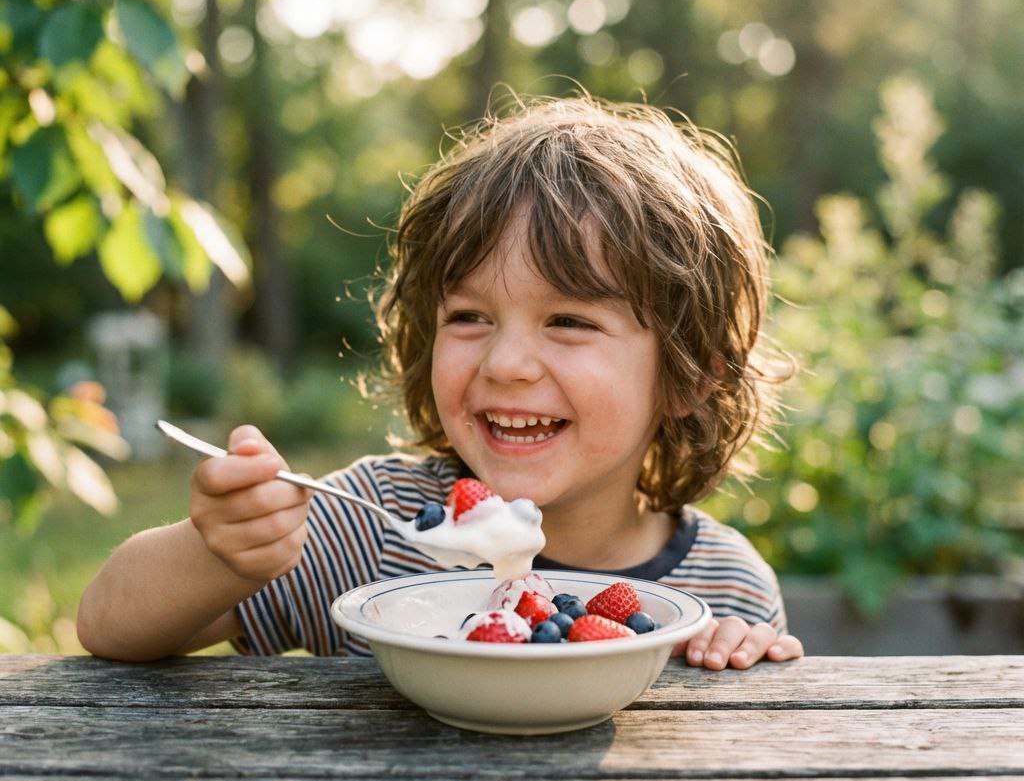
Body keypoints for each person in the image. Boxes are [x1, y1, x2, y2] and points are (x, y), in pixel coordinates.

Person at [77, 94, 804, 670]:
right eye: (469, 317)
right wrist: (218, 552)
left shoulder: (723, 587)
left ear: (690, 376)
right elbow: (109, 627)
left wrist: (744, 658)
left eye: (569, 322)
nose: (504, 364)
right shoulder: (372, 524)